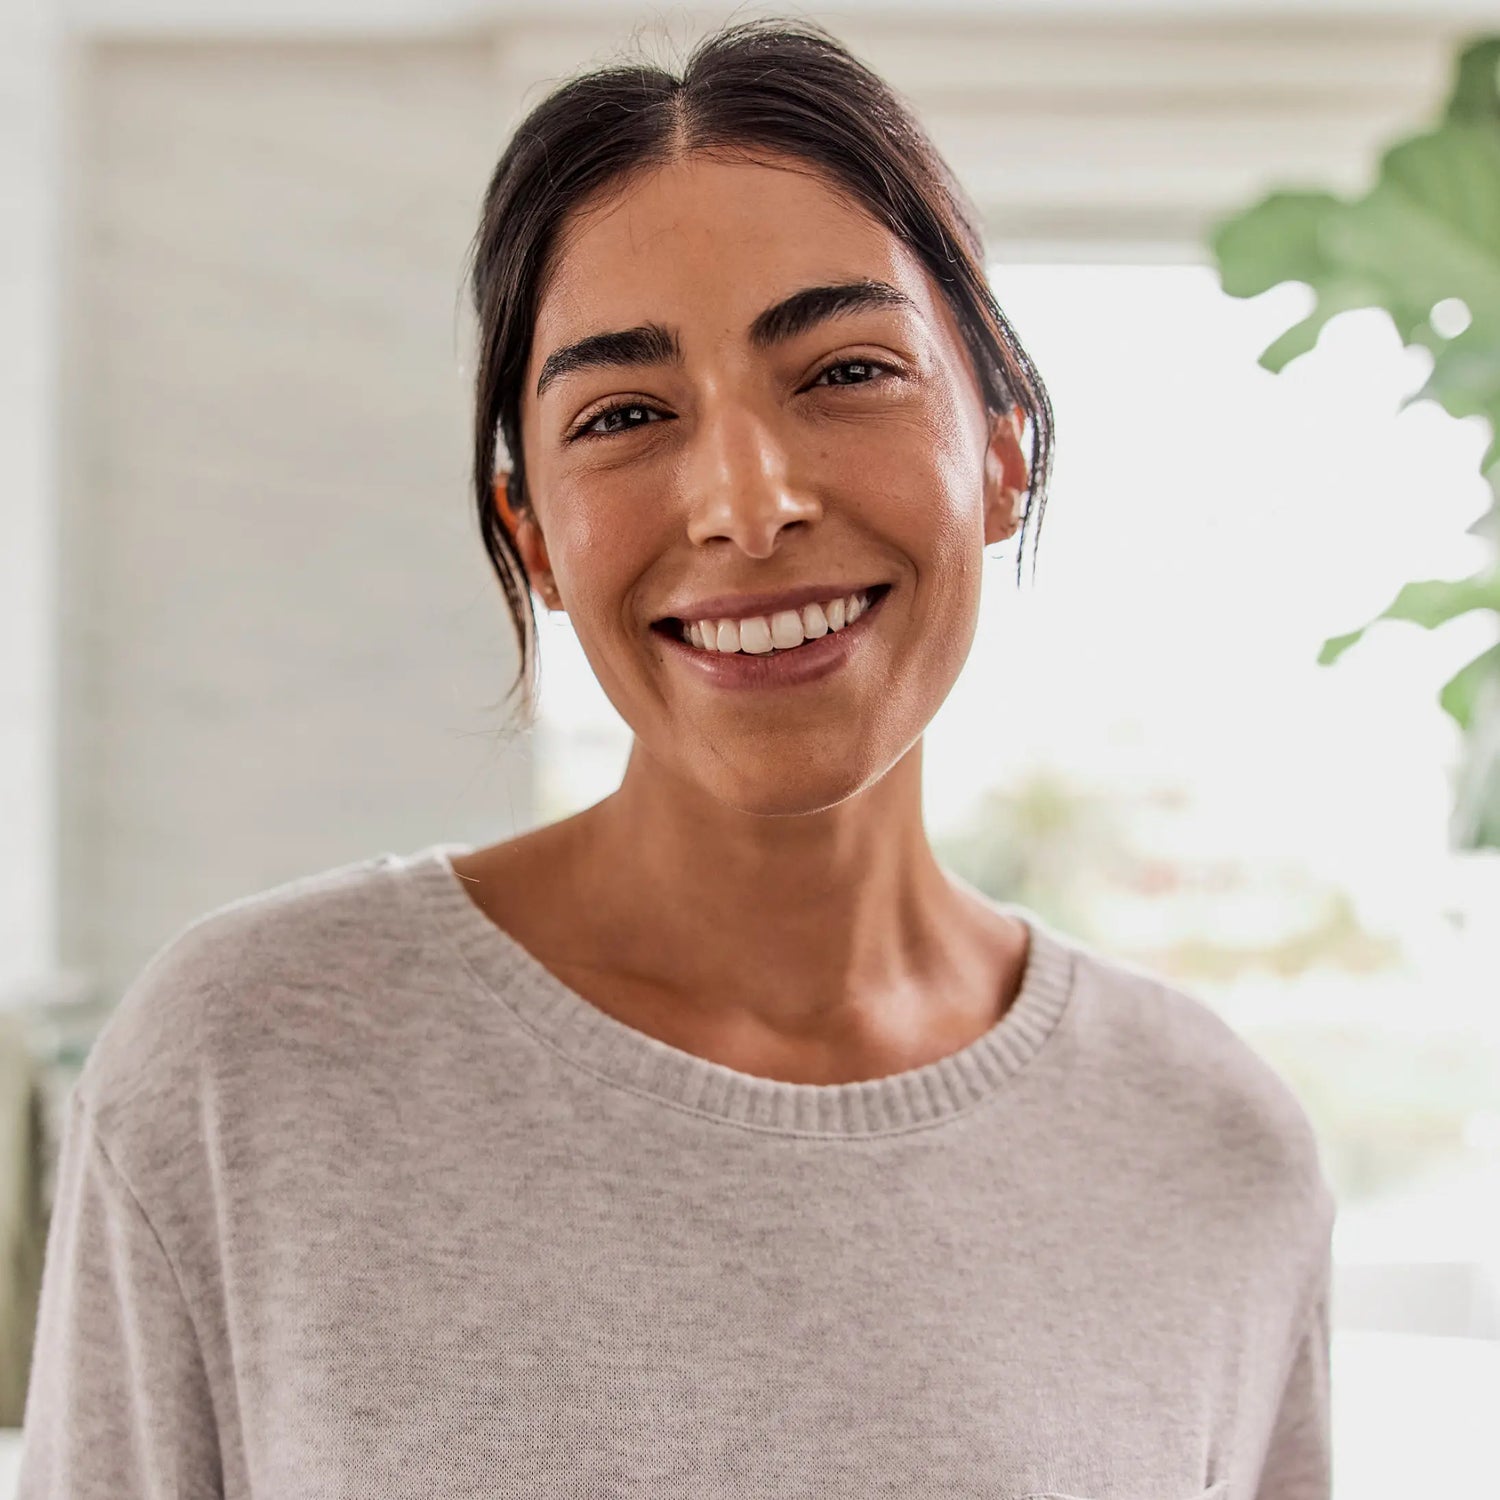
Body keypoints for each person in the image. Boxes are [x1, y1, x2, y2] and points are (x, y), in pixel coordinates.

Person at [16, 17, 1334, 1499]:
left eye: (844, 372)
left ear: (1003, 453)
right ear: (537, 541)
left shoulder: (1212, 1145)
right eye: (625, 414)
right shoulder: (245, 1066)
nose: (745, 503)